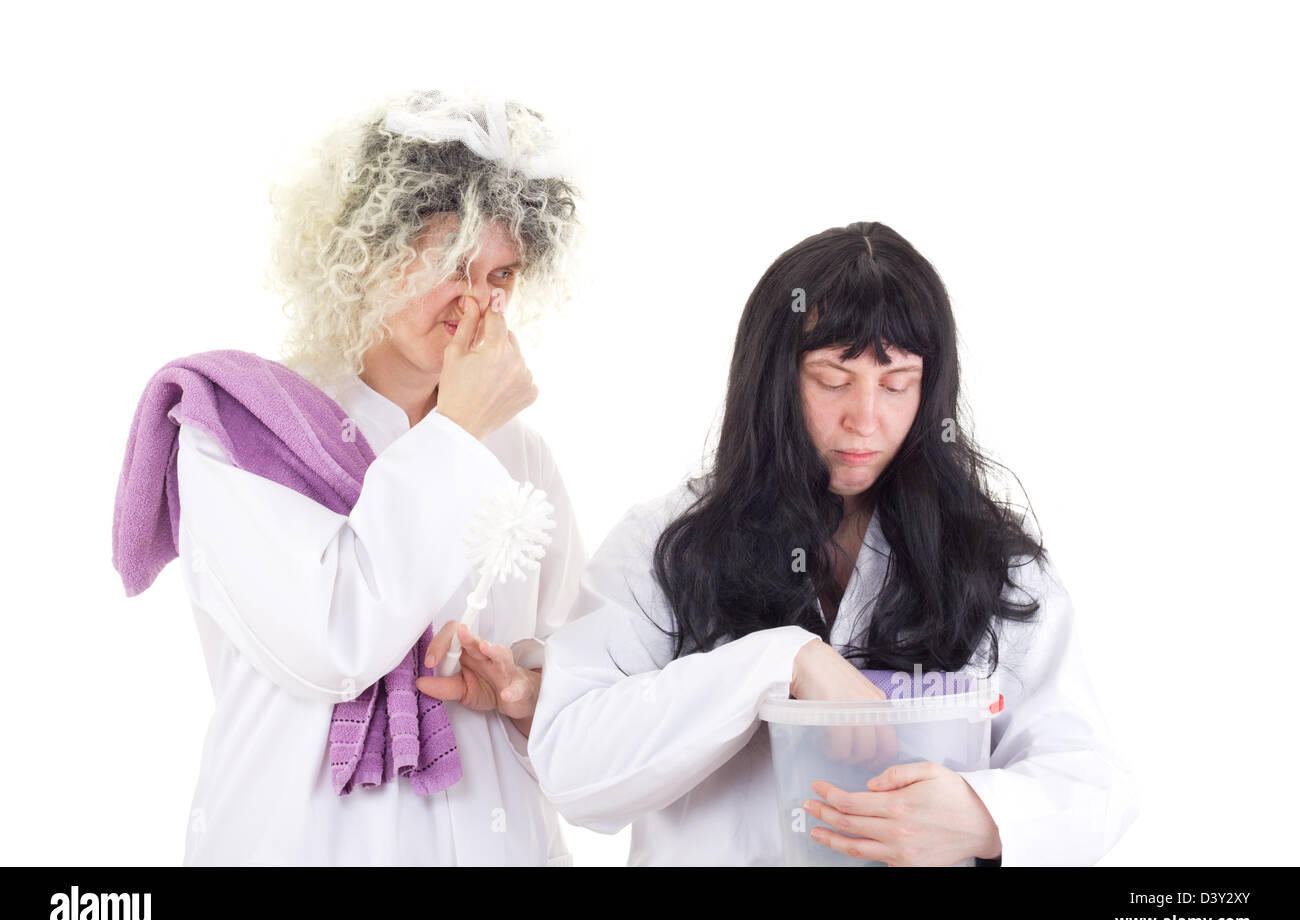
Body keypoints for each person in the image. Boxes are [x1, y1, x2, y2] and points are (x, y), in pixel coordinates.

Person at [527, 222, 1139, 866]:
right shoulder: (668, 542)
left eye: (897, 383)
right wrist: (778, 663)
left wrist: (982, 816)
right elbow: (573, 769)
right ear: (773, 380)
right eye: (832, 379)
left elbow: (1092, 778)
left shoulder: (989, 561)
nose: (866, 419)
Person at [113, 89, 585, 865]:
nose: (480, 304)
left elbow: (575, 667)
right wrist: (457, 431)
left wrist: (532, 696)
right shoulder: (238, 430)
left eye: (502, 275)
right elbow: (335, 640)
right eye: (452, 264)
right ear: (362, 253)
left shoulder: (521, 454)